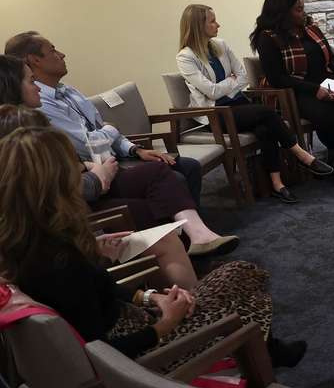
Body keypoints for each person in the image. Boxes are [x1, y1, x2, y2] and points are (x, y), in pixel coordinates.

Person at [0, 126, 304, 367]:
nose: (83, 173)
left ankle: (264, 349)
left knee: (228, 279)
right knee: (241, 274)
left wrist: (150, 297)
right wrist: (165, 324)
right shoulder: (59, 261)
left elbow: (97, 290)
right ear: (57, 180)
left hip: (135, 319)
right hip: (144, 351)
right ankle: (262, 355)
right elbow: (102, 353)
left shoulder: (27, 241)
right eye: (74, 167)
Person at [5, 31, 238, 257]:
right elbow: (88, 144)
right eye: (53, 50)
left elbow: (100, 132)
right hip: (92, 178)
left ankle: (195, 240)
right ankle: (187, 245)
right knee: (169, 182)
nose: (62, 54)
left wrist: (135, 149)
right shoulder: (36, 113)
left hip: (106, 164)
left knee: (186, 167)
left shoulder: (68, 91)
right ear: (34, 60)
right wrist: (101, 153)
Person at [0, 105, 198, 290]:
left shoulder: (24, 212)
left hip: (93, 257)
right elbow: (96, 301)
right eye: (29, 79)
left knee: (162, 180)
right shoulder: (46, 233)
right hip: (111, 302)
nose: (35, 84)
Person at [178, 3, 332, 204]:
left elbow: (242, 77)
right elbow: (211, 92)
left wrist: (227, 83)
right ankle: (301, 154)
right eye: (212, 21)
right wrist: (230, 82)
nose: (218, 24)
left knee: (265, 128)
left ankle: (277, 184)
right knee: (268, 113)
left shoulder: (221, 45)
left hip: (238, 104)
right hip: (215, 114)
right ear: (198, 26)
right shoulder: (185, 57)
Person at [250, 0, 334, 157]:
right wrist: (315, 90)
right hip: (297, 91)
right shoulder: (268, 38)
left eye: (303, 8)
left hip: (326, 83)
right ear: (282, 12)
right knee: (328, 112)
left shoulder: (310, 28)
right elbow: (278, 78)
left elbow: (331, 58)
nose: (303, 13)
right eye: (298, 10)